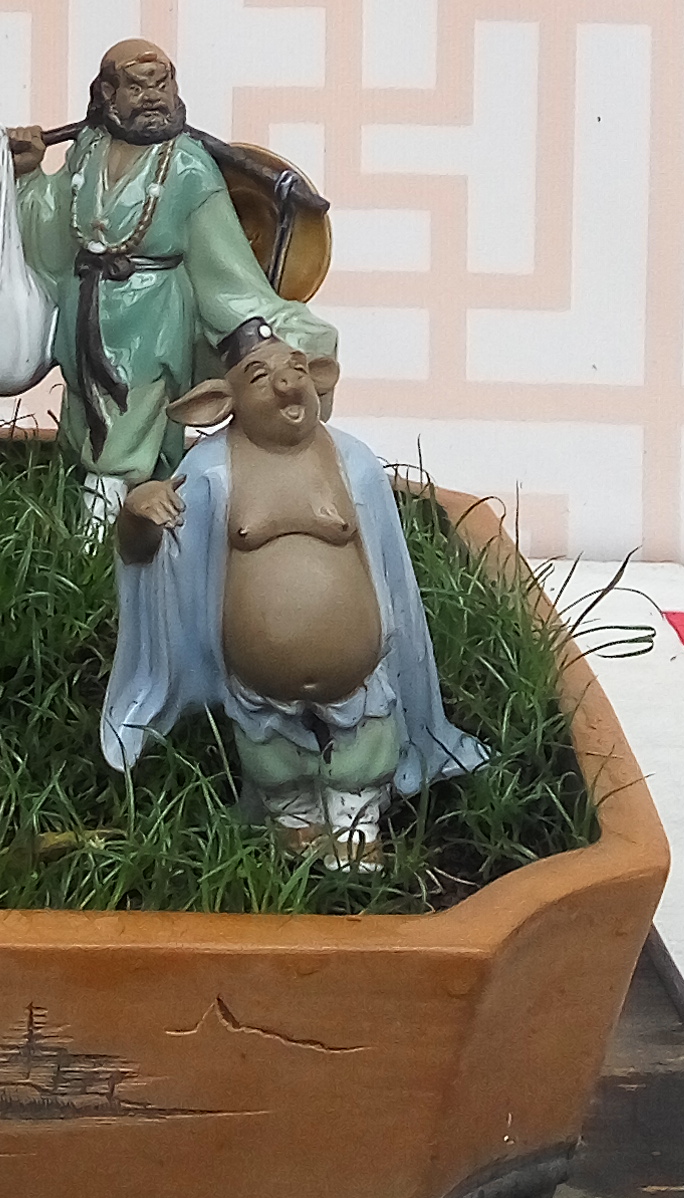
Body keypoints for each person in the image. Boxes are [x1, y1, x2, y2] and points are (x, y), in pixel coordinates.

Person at [101, 319, 483, 857]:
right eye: (261, 376)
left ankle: (357, 819)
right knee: (275, 761)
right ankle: (293, 819)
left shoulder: (353, 463)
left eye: (297, 369)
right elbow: (155, 561)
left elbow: (389, 568)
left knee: (362, 752)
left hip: (355, 677)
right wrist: (137, 517)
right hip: (258, 688)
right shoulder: (209, 471)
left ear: (318, 380)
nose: (286, 384)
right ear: (220, 403)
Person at [10, 37, 337, 529]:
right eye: (137, 86)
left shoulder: (187, 164)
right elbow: (54, 225)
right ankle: (93, 523)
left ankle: (100, 538)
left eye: (162, 84)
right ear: (106, 93)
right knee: (84, 418)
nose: (152, 97)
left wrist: (272, 329)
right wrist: (29, 173)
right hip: (84, 312)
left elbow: (225, 263)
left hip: (151, 320)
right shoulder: (87, 149)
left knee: (127, 425)